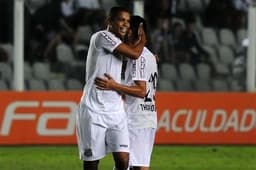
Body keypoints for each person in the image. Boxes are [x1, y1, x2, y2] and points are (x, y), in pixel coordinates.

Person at [76, 6, 146, 170]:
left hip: (115, 110)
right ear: (110, 21)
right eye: (121, 20)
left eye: (128, 21)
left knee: (123, 160)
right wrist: (143, 38)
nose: (126, 24)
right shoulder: (101, 36)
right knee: (92, 163)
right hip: (94, 110)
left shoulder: (121, 43)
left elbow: (134, 55)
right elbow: (135, 54)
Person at [95, 16, 158, 170]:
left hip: (137, 119)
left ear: (138, 31)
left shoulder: (140, 57)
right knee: (127, 165)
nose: (124, 34)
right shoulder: (146, 55)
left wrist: (114, 85)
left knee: (134, 166)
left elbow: (141, 91)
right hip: (143, 117)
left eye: (128, 30)